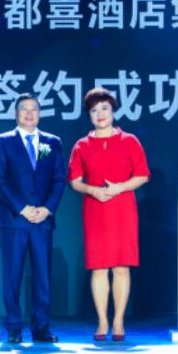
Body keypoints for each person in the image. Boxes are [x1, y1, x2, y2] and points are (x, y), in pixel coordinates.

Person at [68, 88, 150, 341]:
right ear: (89, 115)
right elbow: (74, 181)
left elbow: (142, 176)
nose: (100, 114)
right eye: (94, 110)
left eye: (104, 108)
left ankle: (118, 321)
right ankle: (102, 321)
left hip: (122, 209)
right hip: (95, 210)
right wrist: (92, 190)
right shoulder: (81, 145)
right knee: (99, 268)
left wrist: (119, 188)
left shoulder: (129, 141)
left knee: (121, 267)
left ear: (113, 110)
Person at [0, 93, 66, 344]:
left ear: (40, 113)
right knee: (12, 276)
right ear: (16, 113)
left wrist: (47, 209)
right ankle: (13, 326)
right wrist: (22, 208)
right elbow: (0, 180)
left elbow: (59, 180)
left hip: (42, 220)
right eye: (24, 109)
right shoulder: (3, 141)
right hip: (14, 219)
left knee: (43, 276)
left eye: (34, 109)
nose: (29, 113)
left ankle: (41, 327)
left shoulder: (52, 142)